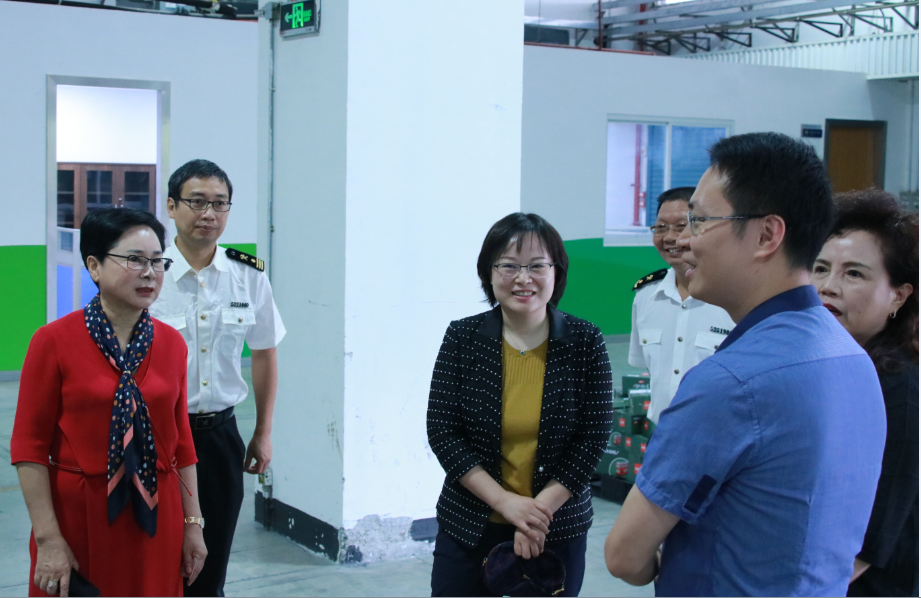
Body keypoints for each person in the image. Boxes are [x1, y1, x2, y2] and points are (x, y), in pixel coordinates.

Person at [604, 132, 887, 596]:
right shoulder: (852, 358)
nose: (684, 242)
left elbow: (624, 555)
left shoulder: (730, 382)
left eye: (698, 221)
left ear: (766, 235)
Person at [11, 208, 206, 596]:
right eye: (134, 259)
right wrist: (49, 539)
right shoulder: (53, 342)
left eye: (157, 261)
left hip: (157, 514)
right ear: (94, 266)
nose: (150, 273)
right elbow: (28, 447)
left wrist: (193, 525)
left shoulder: (171, 343)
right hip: (78, 516)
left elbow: (182, 444)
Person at [427, 213, 613, 597]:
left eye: (536, 266)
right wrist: (505, 503)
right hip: (470, 523)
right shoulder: (462, 337)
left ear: (556, 272)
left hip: (556, 526)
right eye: (509, 266)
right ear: (489, 273)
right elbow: (443, 430)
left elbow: (592, 436)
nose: (523, 278)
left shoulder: (585, 341)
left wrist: (536, 514)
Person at [149, 159, 286, 596]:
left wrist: (262, 433)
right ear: (172, 206)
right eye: (197, 201)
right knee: (152, 562)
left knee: (210, 568)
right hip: (156, 437)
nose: (209, 213)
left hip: (220, 437)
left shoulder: (248, 275)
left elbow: (264, 352)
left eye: (220, 203)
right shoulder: (148, 274)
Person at [811, 189, 918, 597]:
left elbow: (873, 534)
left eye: (853, 274)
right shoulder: (822, 364)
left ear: (898, 296)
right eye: (820, 268)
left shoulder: (900, 386)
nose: (828, 287)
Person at [629, 187, 735, 423]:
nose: (669, 237)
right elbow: (648, 368)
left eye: (680, 226)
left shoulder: (734, 298)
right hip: (661, 434)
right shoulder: (645, 297)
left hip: (719, 435)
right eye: (660, 227)